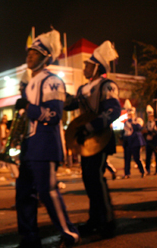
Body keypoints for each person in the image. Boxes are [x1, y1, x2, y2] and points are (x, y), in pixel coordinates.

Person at [15, 28, 79, 248]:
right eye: (29, 52)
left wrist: (28, 108)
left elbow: (54, 115)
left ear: (45, 57)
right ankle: (29, 238)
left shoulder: (53, 81)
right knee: (24, 193)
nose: (29, 56)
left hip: (45, 144)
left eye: (34, 52)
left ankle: (70, 232)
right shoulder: (31, 82)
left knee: (47, 192)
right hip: (29, 145)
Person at [65, 40, 120, 239]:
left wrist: (90, 126)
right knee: (89, 179)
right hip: (86, 141)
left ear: (97, 67)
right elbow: (70, 103)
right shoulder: (82, 89)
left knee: (96, 179)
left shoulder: (107, 86)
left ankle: (107, 221)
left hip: (100, 138)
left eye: (88, 64)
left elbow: (114, 111)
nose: (84, 67)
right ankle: (95, 219)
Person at [122, 99, 146, 178]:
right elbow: (125, 131)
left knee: (137, 158)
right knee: (127, 159)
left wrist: (131, 122)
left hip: (136, 142)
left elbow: (138, 128)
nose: (130, 115)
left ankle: (142, 170)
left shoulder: (138, 120)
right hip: (128, 142)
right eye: (129, 114)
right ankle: (127, 173)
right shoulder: (126, 122)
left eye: (131, 114)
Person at [143, 105, 157, 175]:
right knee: (148, 157)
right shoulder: (147, 124)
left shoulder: (156, 123)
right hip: (149, 142)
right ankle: (147, 170)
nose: (149, 117)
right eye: (149, 116)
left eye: (151, 116)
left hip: (155, 141)